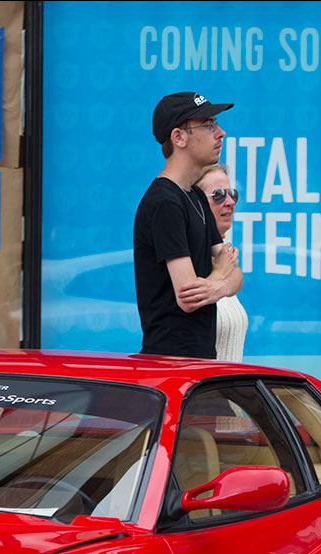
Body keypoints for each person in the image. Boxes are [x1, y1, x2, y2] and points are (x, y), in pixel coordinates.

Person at [133, 92, 243, 358]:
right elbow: (189, 298)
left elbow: (236, 276)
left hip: (199, 363)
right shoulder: (165, 203)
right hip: (170, 365)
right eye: (208, 125)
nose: (221, 133)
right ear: (179, 137)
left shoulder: (195, 198)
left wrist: (220, 285)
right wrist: (220, 275)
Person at [198, 164, 247, 361]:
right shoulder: (185, 263)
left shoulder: (224, 260)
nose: (229, 202)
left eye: (232, 195)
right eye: (218, 195)